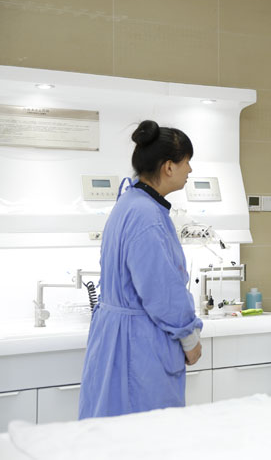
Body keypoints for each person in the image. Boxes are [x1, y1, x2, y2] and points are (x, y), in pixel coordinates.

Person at [79, 120, 203, 419]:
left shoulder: (129, 203)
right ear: (169, 167)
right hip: (139, 345)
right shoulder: (147, 215)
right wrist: (189, 337)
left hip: (116, 338)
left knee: (113, 428)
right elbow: (162, 290)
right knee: (146, 433)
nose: (190, 170)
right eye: (187, 162)